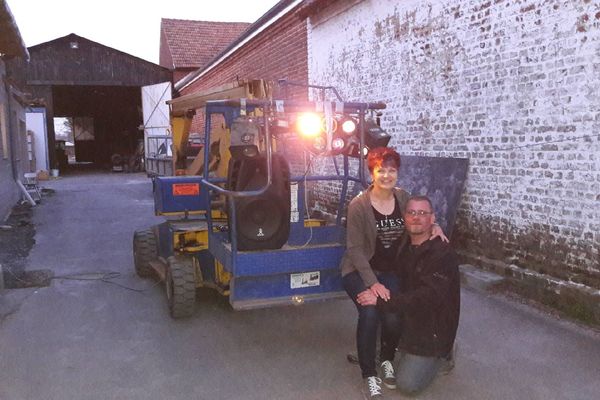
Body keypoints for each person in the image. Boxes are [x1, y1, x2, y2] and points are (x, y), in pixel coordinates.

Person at [340, 148, 447, 399]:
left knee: (393, 315)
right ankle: (369, 375)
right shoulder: (359, 206)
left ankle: (387, 359)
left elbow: (419, 217)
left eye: (391, 170)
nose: (386, 175)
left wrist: (437, 226)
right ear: (371, 173)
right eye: (381, 170)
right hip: (359, 271)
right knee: (369, 310)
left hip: (390, 271)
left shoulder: (403, 198)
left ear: (397, 173)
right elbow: (354, 250)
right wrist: (373, 284)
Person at [357, 195, 460, 396]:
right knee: (386, 312)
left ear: (432, 218)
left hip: (433, 329)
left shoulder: (442, 253)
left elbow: (426, 298)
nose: (416, 217)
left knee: (407, 384)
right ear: (404, 217)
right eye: (411, 212)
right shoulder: (405, 247)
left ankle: (445, 354)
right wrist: (373, 286)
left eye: (422, 213)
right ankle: (401, 347)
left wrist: (381, 301)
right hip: (412, 318)